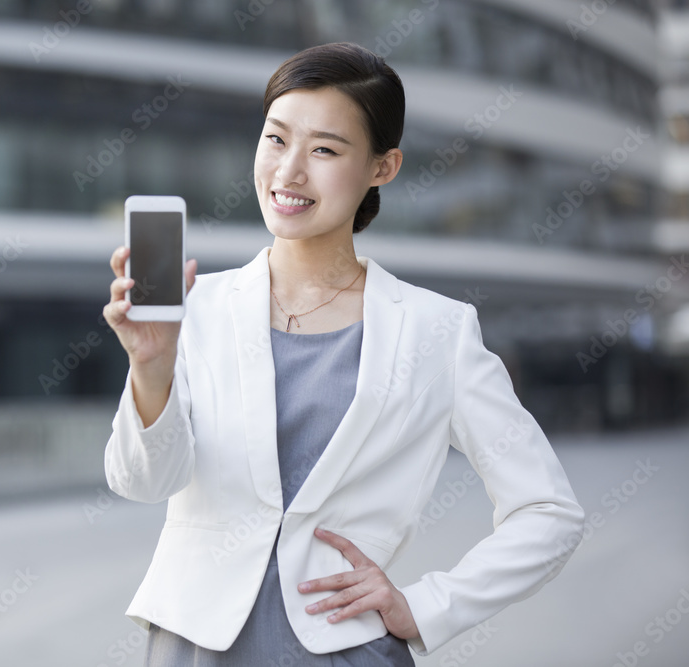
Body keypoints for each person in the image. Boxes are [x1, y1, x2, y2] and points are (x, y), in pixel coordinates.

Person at [101, 42, 584, 665]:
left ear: (383, 167)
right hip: (193, 645)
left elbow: (548, 511)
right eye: (276, 139)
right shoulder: (194, 309)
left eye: (324, 149)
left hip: (346, 647)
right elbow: (143, 483)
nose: (289, 171)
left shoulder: (438, 331)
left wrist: (429, 604)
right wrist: (151, 365)